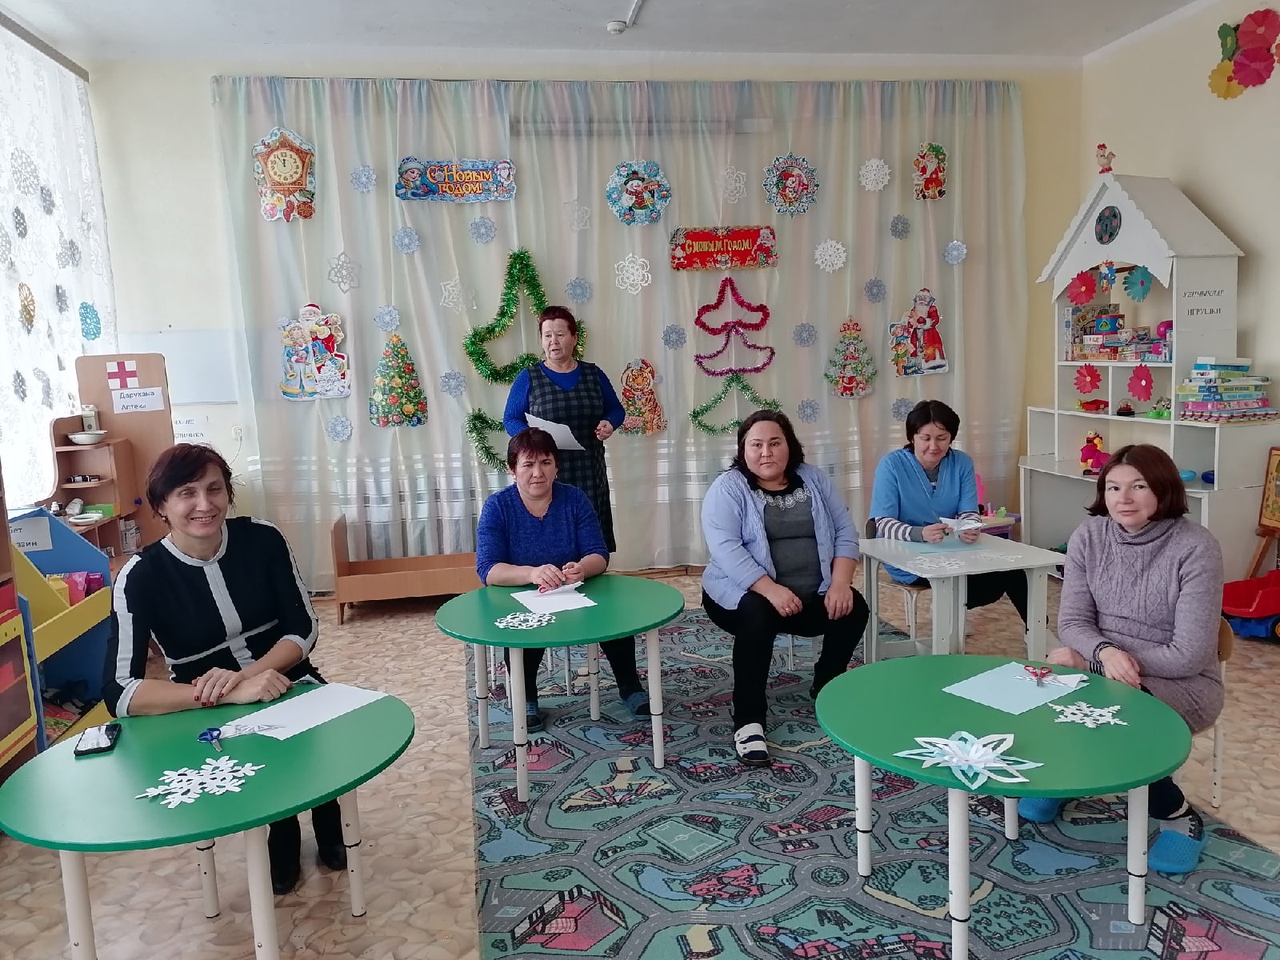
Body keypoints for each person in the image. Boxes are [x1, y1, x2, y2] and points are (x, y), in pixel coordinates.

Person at [102, 444, 343, 896]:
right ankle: (282, 826)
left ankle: (328, 814)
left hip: (287, 678)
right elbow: (120, 691)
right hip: (205, 702)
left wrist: (253, 677)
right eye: (186, 493)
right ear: (161, 506)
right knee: (260, 761)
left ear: (229, 494)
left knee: (320, 744)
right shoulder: (139, 576)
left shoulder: (263, 538)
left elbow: (303, 626)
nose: (204, 504)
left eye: (214, 489)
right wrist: (226, 694)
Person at [1023, 444, 1224, 875]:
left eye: (1139, 486)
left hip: (1181, 681)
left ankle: (1179, 816)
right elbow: (1073, 620)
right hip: (1104, 661)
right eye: (1113, 487)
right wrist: (1103, 653)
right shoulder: (1089, 536)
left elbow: (1189, 655)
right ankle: (1068, 776)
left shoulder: (1196, 546)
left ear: (1164, 489)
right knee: (1034, 689)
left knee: (1114, 718)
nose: (1123, 499)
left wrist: (1096, 664)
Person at [701, 410, 870, 767]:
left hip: (809, 596)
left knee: (854, 607)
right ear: (743, 450)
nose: (766, 452)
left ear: (789, 445)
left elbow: (844, 530)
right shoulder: (728, 488)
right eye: (756, 445)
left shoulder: (814, 479)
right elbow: (727, 550)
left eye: (775, 443)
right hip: (742, 595)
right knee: (758, 614)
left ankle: (826, 684)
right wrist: (771, 590)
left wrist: (840, 583)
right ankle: (748, 718)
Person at [503, 306, 645, 713]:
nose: (553, 341)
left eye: (560, 334)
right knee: (544, 547)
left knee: (591, 552)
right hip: (545, 473)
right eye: (547, 335)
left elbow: (615, 410)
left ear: (573, 338)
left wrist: (609, 424)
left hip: (586, 473)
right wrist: (535, 444)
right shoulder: (529, 377)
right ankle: (528, 684)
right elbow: (511, 419)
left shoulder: (593, 373)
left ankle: (599, 622)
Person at [476, 428, 650, 730]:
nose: (538, 473)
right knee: (523, 628)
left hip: (573, 590)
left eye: (546, 462)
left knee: (614, 617)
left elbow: (598, 554)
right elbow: (488, 569)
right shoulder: (497, 506)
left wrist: (582, 568)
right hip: (521, 594)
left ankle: (630, 686)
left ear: (556, 465)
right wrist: (532, 573)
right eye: (528, 464)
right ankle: (527, 697)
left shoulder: (574, 499)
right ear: (512, 469)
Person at [868, 399, 1028, 648]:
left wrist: (970, 527)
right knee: (961, 582)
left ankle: (1037, 631)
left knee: (1013, 571)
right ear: (912, 437)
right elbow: (883, 523)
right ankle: (949, 606)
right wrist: (920, 533)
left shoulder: (961, 463)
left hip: (955, 551)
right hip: (907, 556)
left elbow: (969, 511)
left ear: (951, 437)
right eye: (925, 438)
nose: (934, 446)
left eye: (942, 438)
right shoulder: (892, 465)